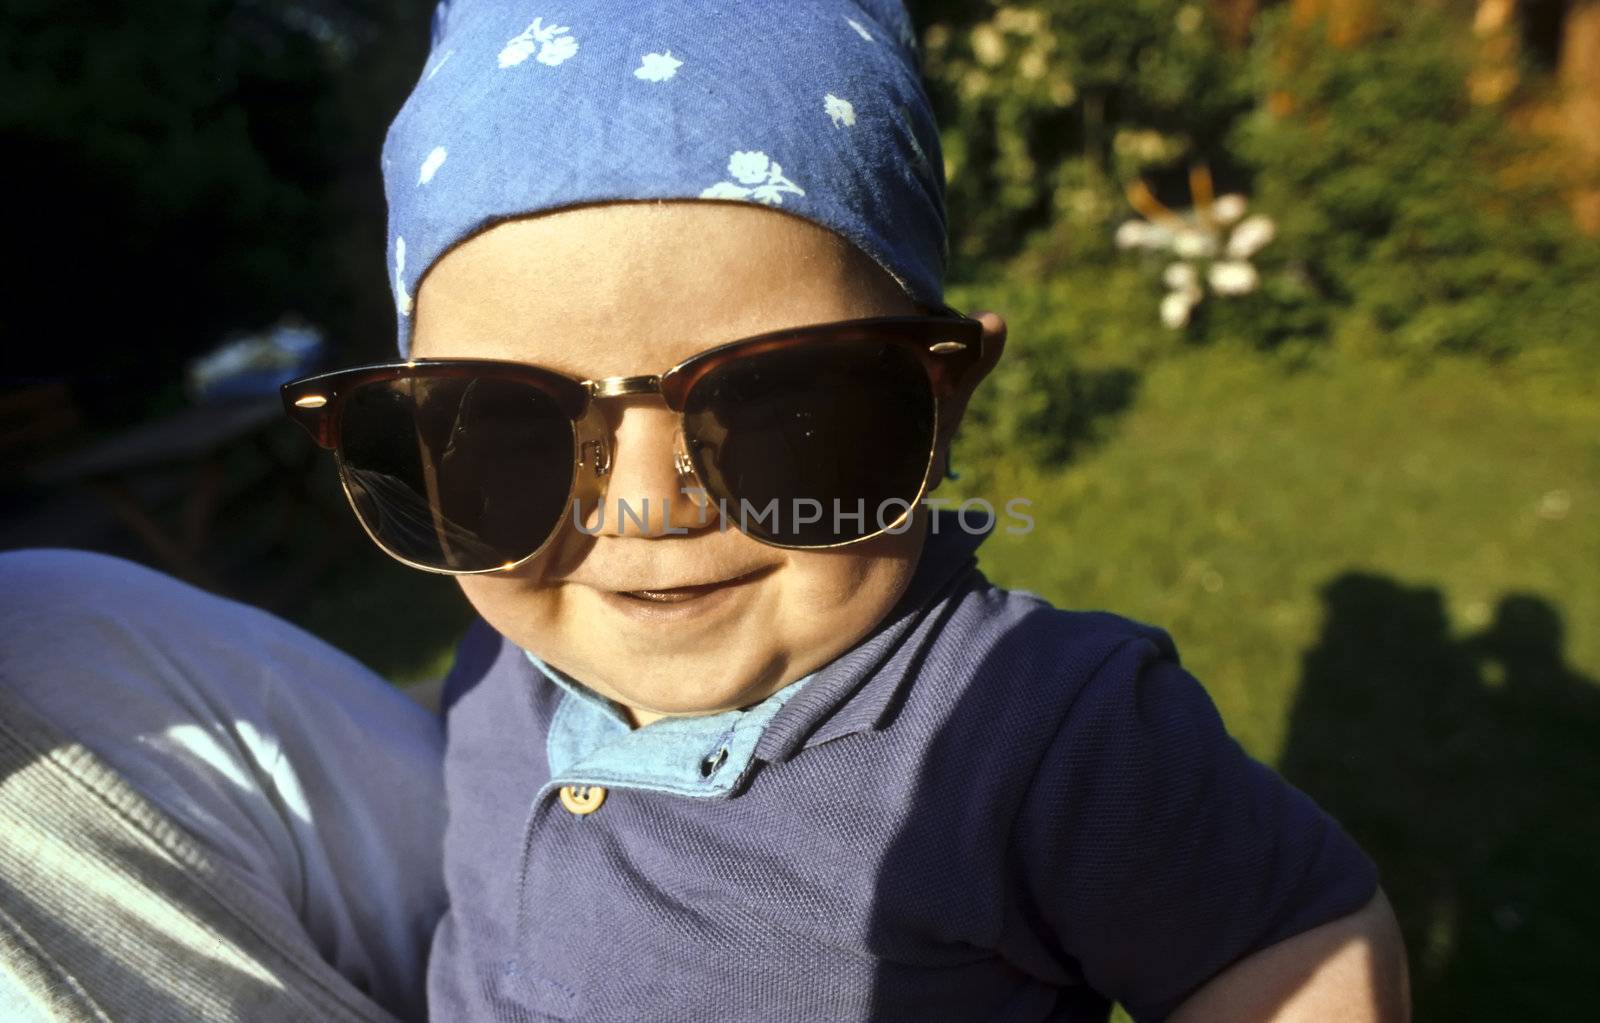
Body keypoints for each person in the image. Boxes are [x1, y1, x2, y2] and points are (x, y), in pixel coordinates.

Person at [0, 1, 1409, 1020]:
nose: (647, 506)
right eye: (504, 434)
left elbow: (1299, 943)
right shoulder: (513, 663)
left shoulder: (1042, 728)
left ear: (948, 392)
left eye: (789, 405)